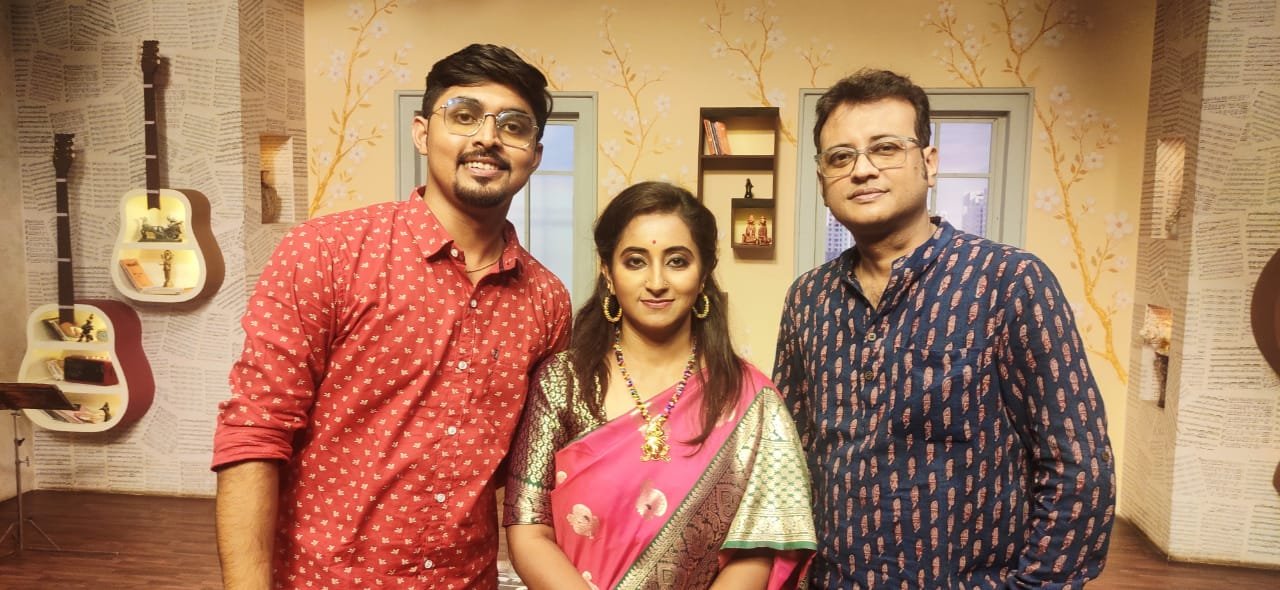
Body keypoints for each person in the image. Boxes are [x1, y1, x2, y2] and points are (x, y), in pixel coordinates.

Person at [211, 44, 572, 589]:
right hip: (323, 580)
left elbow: (525, 465)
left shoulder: (546, 300)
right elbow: (254, 433)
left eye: (513, 126)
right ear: (422, 133)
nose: (487, 138)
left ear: (535, 154)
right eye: (464, 115)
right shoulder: (327, 252)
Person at [773, 69, 1116, 589]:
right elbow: (790, 455)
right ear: (823, 181)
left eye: (886, 148)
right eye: (840, 157)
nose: (862, 170)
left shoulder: (1009, 282)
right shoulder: (808, 299)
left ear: (929, 163)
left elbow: (1078, 467)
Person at [505, 181, 816, 589]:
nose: (656, 282)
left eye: (677, 261)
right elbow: (528, 527)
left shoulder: (751, 401)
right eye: (635, 261)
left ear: (703, 273)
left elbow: (759, 546)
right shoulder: (564, 384)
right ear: (608, 272)